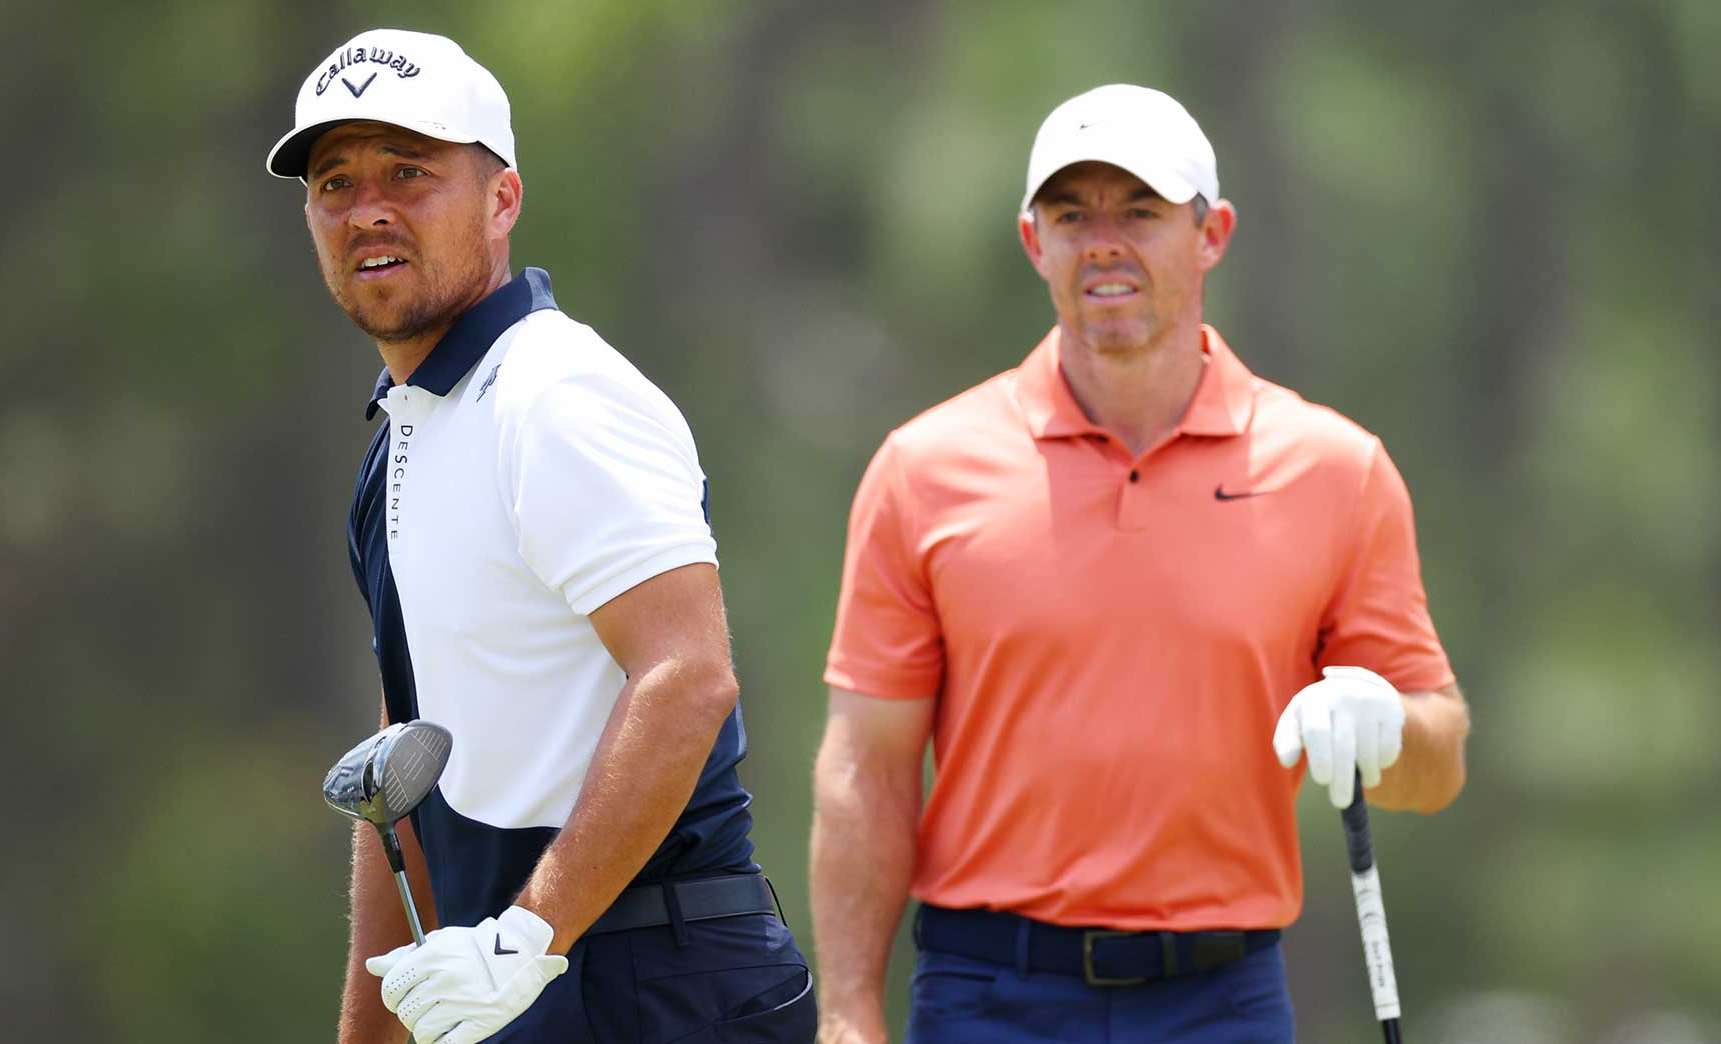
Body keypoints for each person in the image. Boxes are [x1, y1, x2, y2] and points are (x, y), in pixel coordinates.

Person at [810, 84, 1470, 1044]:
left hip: (1222, 999)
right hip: (987, 994)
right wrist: (847, 1012)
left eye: (1142, 212)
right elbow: (867, 764)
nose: (1104, 242)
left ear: (1213, 235)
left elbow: (1437, 768)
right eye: (1073, 214)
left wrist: (1384, 726)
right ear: (1034, 242)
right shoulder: (925, 468)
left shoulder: (1336, 470)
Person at [266, 28, 815, 1044]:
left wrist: (526, 937)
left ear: (501, 199)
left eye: (408, 171)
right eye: (334, 182)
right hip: (519, 983)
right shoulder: (403, 439)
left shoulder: (553, 395)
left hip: (658, 987)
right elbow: (404, 782)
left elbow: (687, 677)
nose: (367, 207)